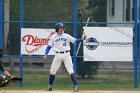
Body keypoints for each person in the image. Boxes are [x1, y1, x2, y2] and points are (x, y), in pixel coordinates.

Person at [42, 22, 87, 92]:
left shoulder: (66, 36)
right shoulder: (53, 37)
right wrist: (45, 54)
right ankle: (50, 86)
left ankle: (76, 86)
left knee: (70, 71)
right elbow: (48, 47)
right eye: (60, 27)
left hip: (66, 54)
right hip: (57, 55)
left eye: (62, 27)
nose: (62, 28)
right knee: (52, 71)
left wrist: (82, 39)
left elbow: (75, 41)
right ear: (57, 29)